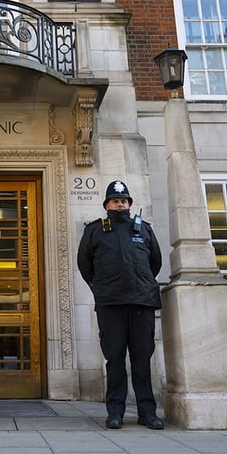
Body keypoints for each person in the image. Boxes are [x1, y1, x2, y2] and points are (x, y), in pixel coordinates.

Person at [76, 180, 164, 430]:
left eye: (124, 200)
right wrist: (102, 287)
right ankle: (115, 412)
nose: (120, 204)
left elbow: (154, 263)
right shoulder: (94, 231)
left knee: (142, 361)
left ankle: (148, 413)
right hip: (111, 304)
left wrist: (140, 284)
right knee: (115, 361)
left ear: (129, 203)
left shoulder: (144, 229)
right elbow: (85, 266)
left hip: (141, 303)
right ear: (107, 204)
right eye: (115, 201)